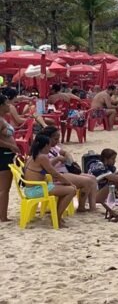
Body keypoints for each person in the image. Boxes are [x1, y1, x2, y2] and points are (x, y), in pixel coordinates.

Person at [23, 134, 77, 226]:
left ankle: (56, 216)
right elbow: (55, 174)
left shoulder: (33, 156)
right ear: (45, 146)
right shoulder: (42, 157)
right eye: (49, 145)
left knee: (65, 188)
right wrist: (70, 183)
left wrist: (66, 183)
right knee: (71, 190)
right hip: (36, 190)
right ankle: (57, 218)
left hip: (31, 189)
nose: (50, 147)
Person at [43, 126, 98, 212]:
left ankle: (93, 207)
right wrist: (57, 159)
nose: (57, 141)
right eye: (55, 139)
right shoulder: (44, 150)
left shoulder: (53, 147)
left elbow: (64, 152)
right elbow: (46, 166)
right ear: (48, 138)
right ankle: (81, 207)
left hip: (64, 172)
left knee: (93, 178)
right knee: (87, 182)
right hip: (56, 176)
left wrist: (68, 157)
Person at [0, 94, 22, 222]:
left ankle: (2, 215)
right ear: (1, 105)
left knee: (3, 188)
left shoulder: (3, 118)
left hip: (5, 153)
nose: (9, 105)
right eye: (7, 103)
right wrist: (11, 146)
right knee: (4, 188)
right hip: (4, 154)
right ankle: (3, 217)